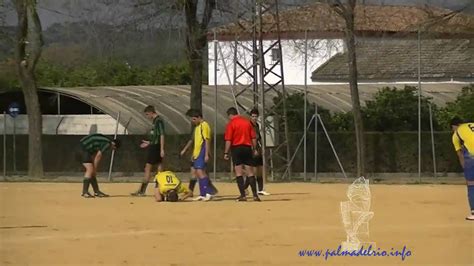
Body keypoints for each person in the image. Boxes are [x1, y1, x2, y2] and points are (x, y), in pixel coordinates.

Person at [224, 107, 261, 202]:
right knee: (250, 172)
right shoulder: (247, 122)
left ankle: (243, 195)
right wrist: (254, 148)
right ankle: (255, 195)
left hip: (236, 148)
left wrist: (226, 152)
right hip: (247, 148)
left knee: (238, 172)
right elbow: (253, 138)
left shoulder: (231, 124)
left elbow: (228, 140)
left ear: (230, 115)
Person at [131, 105, 165, 196]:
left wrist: (161, 149)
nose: (147, 117)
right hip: (154, 145)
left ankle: (143, 190)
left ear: (151, 112)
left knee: (149, 167)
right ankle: (158, 189)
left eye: (147, 114)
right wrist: (149, 142)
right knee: (158, 166)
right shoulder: (156, 121)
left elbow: (162, 135)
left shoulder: (159, 121)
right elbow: (156, 136)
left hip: (156, 147)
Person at [183, 108, 215, 201]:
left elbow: (206, 140)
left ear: (199, 117)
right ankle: (203, 194)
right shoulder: (197, 127)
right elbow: (196, 142)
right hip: (197, 154)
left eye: (193, 119)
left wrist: (206, 154)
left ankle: (208, 192)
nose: (192, 121)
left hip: (202, 152)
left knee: (201, 172)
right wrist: (194, 154)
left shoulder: (204, 125)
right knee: (198, 173)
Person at [78, 133, 120, 198]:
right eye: (113, 148)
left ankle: (96, 192)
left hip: (83, 148)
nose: (112, 150)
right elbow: (98, 156)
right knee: (90, 170)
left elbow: (94, 152)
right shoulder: (108, 143)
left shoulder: (105, 140)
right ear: (113, 144)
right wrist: (95, 168)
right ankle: (85, 192)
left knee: (91, 171)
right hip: (82, 149)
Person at [450, 117, 474, 221]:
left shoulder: (456, 134)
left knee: (471, 183)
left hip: (472, 156)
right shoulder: (472, 125)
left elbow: (460, 154)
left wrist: (465, 168)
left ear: (454, 126)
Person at [244, 108, 270, 196]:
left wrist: (261, 148)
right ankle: (244, 188)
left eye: (256, 116)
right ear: (250, 116)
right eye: (253, 116)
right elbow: (249, 138)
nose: (254, 118)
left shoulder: (257, 125)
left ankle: (261, 189)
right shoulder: (248, 125)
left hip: (258, 148)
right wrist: (253, 149)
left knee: (260, 169)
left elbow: (258, 137)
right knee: (253, 171)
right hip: (252, 149)